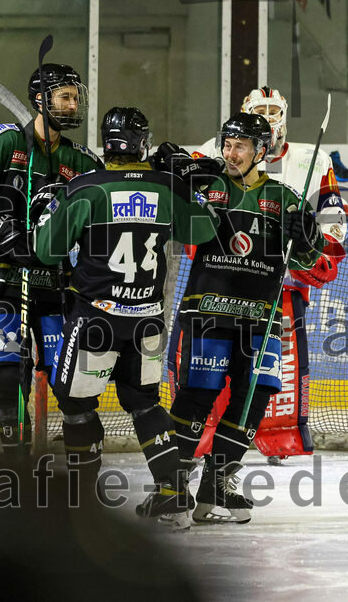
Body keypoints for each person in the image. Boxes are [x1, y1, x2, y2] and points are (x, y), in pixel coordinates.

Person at [33, 107, 218, 528]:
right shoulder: (168, 187)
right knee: (145, 403)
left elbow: (46, 250)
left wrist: (48, 207)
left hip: (96, 319)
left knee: (76, 404)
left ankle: (81, 500)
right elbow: (204, 230)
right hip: (148, 321)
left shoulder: (86, 188)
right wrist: (193, 187)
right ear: (142, 143)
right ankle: (173, 498)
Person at [161, 112, 325, 524]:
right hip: (208, 311)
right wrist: (169, 163)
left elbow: (309, 260)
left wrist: (307, 235)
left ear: (261, 151)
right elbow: (166, 191)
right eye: (227, 144)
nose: (231, 154)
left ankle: (215, 487)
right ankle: (173, 489)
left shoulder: (285, 197)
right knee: (196, 396)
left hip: (260, 318)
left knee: (256, 395)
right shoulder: (208, 185)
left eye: (241, 146)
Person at [0, 63, 102, 455]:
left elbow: (105, 221)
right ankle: (16, 478)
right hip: (3, 279)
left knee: (71, 387)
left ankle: (83, 481)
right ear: (40, 100)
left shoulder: (81, 161)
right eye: (64, 97)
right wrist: (1, 230)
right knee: (7, 380)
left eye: (75, 97)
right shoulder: (4, 142)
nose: (73, 104)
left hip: (56, 287)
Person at [193, 87, 347, 462]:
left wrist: (317, 249)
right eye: (258, 109)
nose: (267, 116)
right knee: (210, 370)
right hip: (222, 280)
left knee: (274, 373)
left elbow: (332, 216)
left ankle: (277, 439)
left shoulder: (313, 158)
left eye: (273, 109)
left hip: (283, 284)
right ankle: (206, 440)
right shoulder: (215, 151)